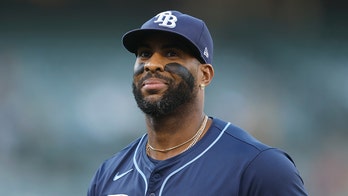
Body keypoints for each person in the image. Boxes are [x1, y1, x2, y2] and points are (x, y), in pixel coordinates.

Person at [88, 10, 308, 196]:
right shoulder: (109, 174)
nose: (152, 64)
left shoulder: (259, 167)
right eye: (145, 54)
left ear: (205, 75)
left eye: (171, 53)